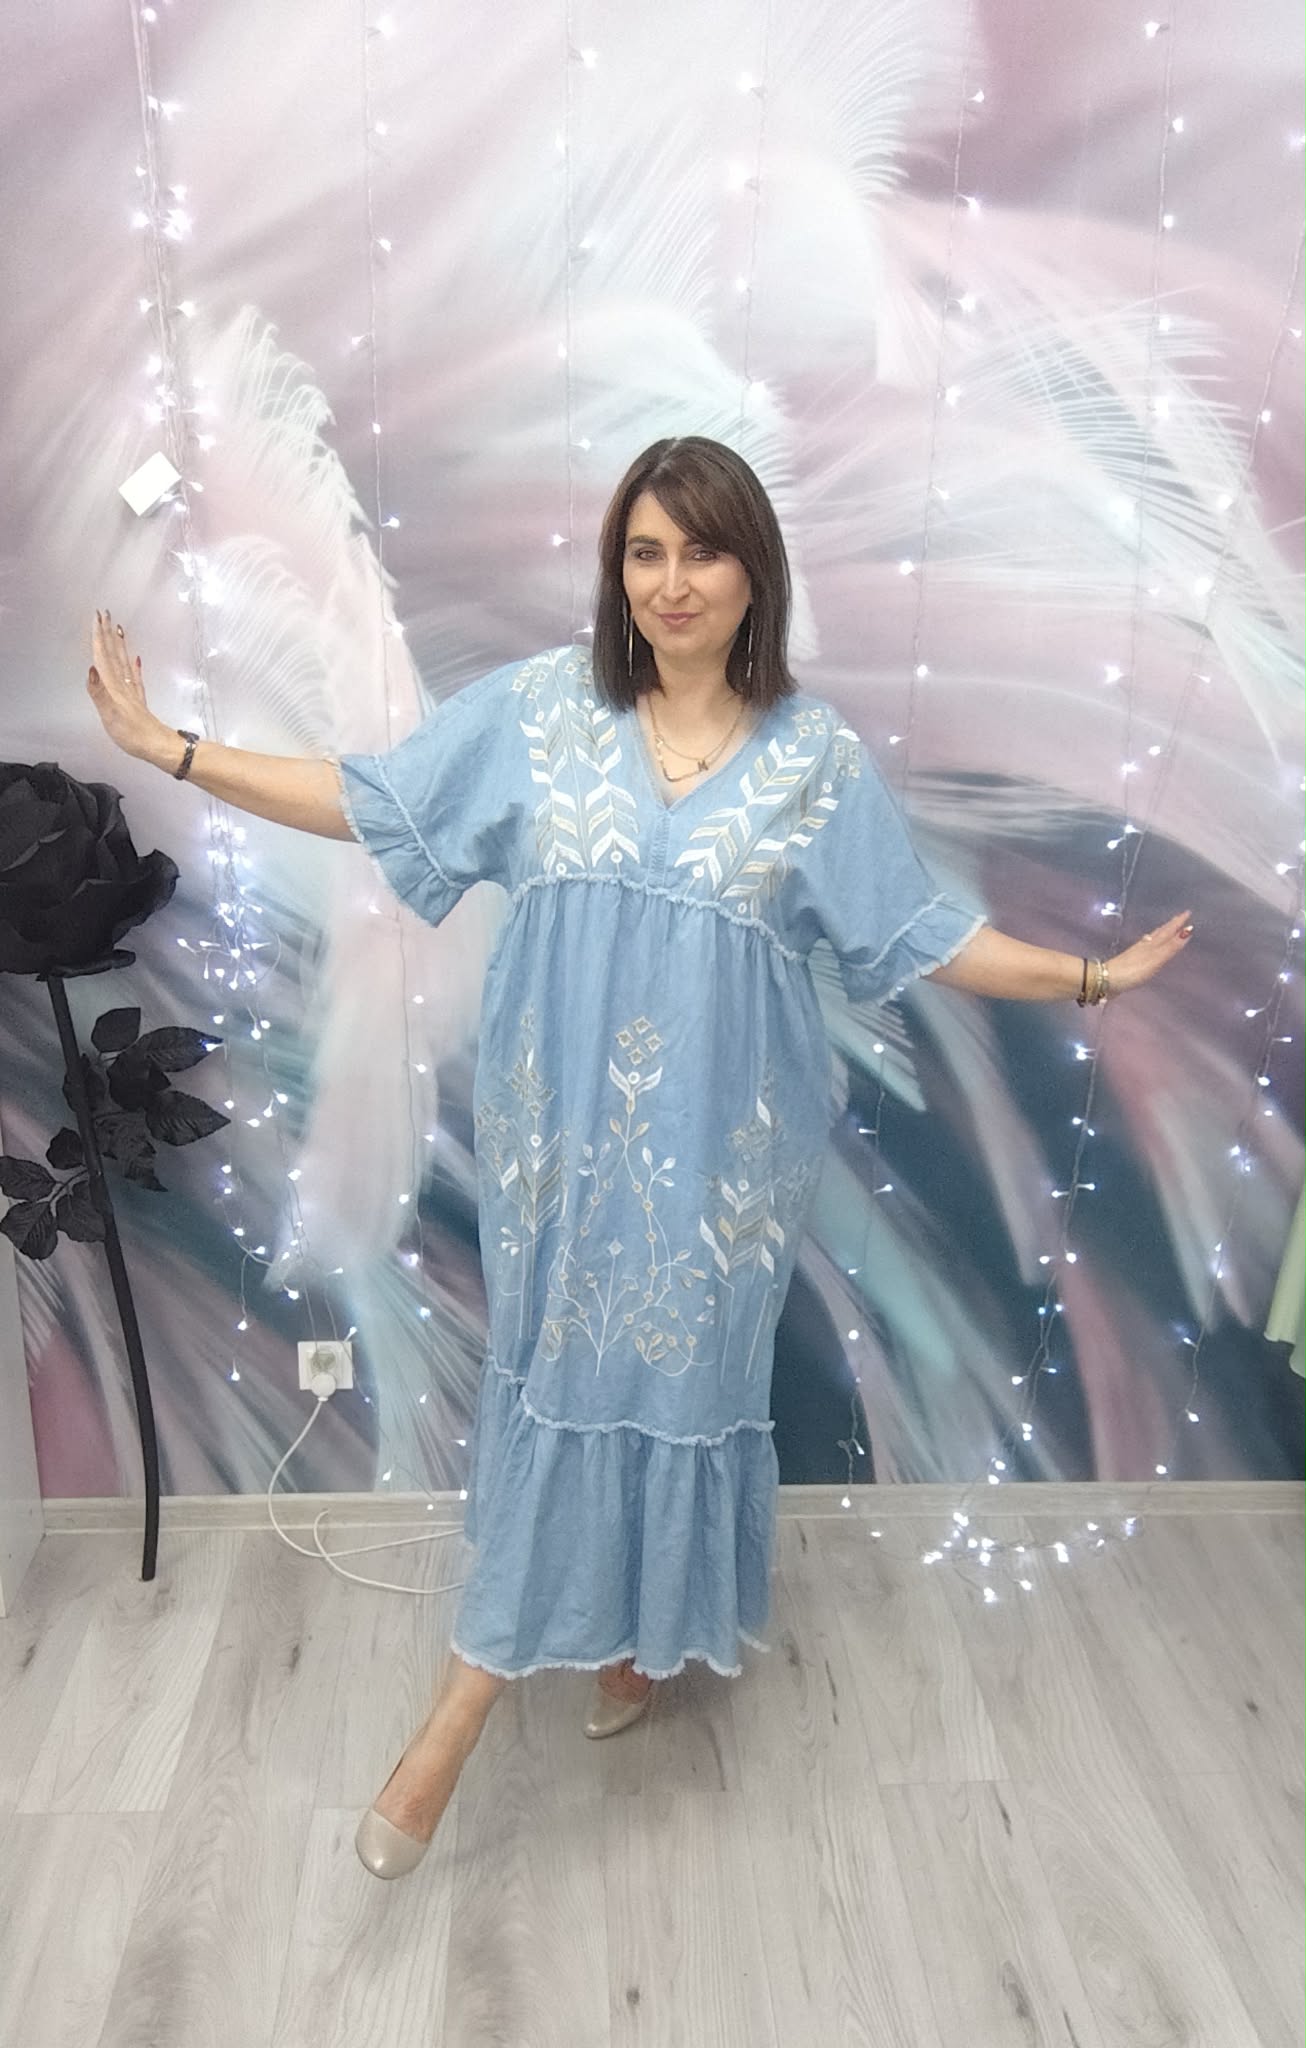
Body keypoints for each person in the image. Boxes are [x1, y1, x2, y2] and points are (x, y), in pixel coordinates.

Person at [88, 434, 1194, 1880]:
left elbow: (920, 935)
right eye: (644, 552)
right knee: (560, 1386)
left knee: (676, 1390)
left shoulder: (813, 763)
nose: (672, 582)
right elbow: (370, 801)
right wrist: (170, 748)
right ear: (618, 571)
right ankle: (495, 1682)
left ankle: (588, 1661)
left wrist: (1087, 979)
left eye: (703, 551)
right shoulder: (542, 715)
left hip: (722, 1173)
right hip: (557, 1152)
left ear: (754, 573)